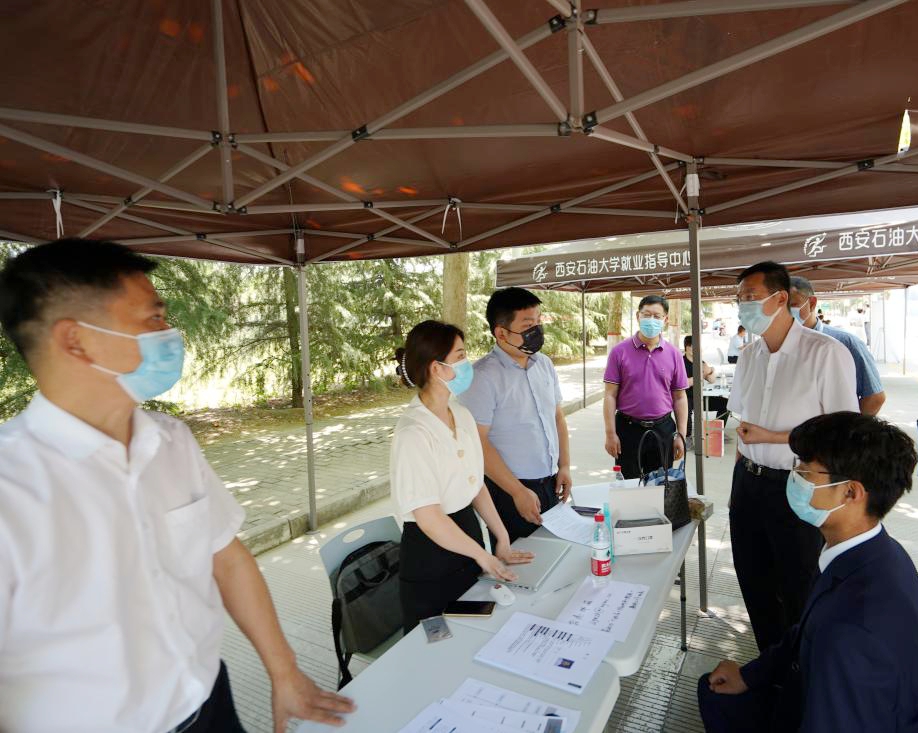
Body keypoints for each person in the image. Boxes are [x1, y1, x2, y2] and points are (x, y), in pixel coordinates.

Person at [0, 238, 353, 733]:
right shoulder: (13, 488)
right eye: (153, 319)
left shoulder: (170, 441)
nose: (170, 335)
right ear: (76, 340)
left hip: (209, 699)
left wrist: (284, 671)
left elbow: (226, 558)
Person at [698, 412, 918, 733]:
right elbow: (804, 631)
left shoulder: (852, 632)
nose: (795, 478)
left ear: (851, 492)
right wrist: (750, 675)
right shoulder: (867, 550)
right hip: (808, 689)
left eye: (805, 471)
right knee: (714, 692)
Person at [729, 262, 858, 650]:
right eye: (739, 299)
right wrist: (738, 483)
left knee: (799, 585)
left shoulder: (826, 353)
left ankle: (803, 667)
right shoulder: (749, 356)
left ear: (780, 297)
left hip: (797, 487)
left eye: (750, 297)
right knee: (754, 581)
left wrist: (771, 437)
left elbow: (843, 434)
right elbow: (742, 425)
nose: (743, 306)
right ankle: (770, 661)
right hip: (748, 482)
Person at [391, 320, 534, 633]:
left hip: (467, 540)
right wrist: (483, 556)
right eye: (460, 356)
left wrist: (501, 538)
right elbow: (429, 518)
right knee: (436, 643)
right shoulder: (413, 432)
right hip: (430, 554)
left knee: (474, 630)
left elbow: (475, 483)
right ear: (436, 368)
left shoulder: (462, 414)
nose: (467, 363)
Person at [459, 287, 571, 542]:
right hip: (509, 491)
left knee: (555, 548)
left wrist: (564, 465)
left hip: (550, 483)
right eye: (528, 326)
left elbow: (557, 417)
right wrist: (517, 491)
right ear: (501, 333)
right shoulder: (482, 377)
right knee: (522, 557)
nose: (537, 331)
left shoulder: (544, 364)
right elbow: (478, 442)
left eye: (539, 322)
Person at [603, 295, 688, 479]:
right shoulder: (619, 352)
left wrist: (681, 435)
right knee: (629, 485)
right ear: (638, 316)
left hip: (663, 429)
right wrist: (610, 433)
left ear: (665, 320)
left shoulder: (674, 354)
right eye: (646, 314)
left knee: (661, 484)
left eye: (657, 316)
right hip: (628, 429)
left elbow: (680, 397)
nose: (651, 320)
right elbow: (610, 395)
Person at [789, 277, 887, 416]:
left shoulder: (846, 343)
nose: (786, 312)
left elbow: (875, 398)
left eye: (793, 305)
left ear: (812, 303)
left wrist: (848, 427)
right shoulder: (778, 344)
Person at [683, 334, 716, 444]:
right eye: (692, 346)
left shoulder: (701, 362)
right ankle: (687, 437)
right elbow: (684, 383)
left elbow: (711, 380)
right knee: (685, 410)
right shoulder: (680, 362)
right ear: (686, 347)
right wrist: (701, 374)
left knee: (725, 405)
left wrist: (711, 370)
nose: (695, 348)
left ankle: (715, 432)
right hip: (686, 397)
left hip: (701, 397)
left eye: (697, 346)